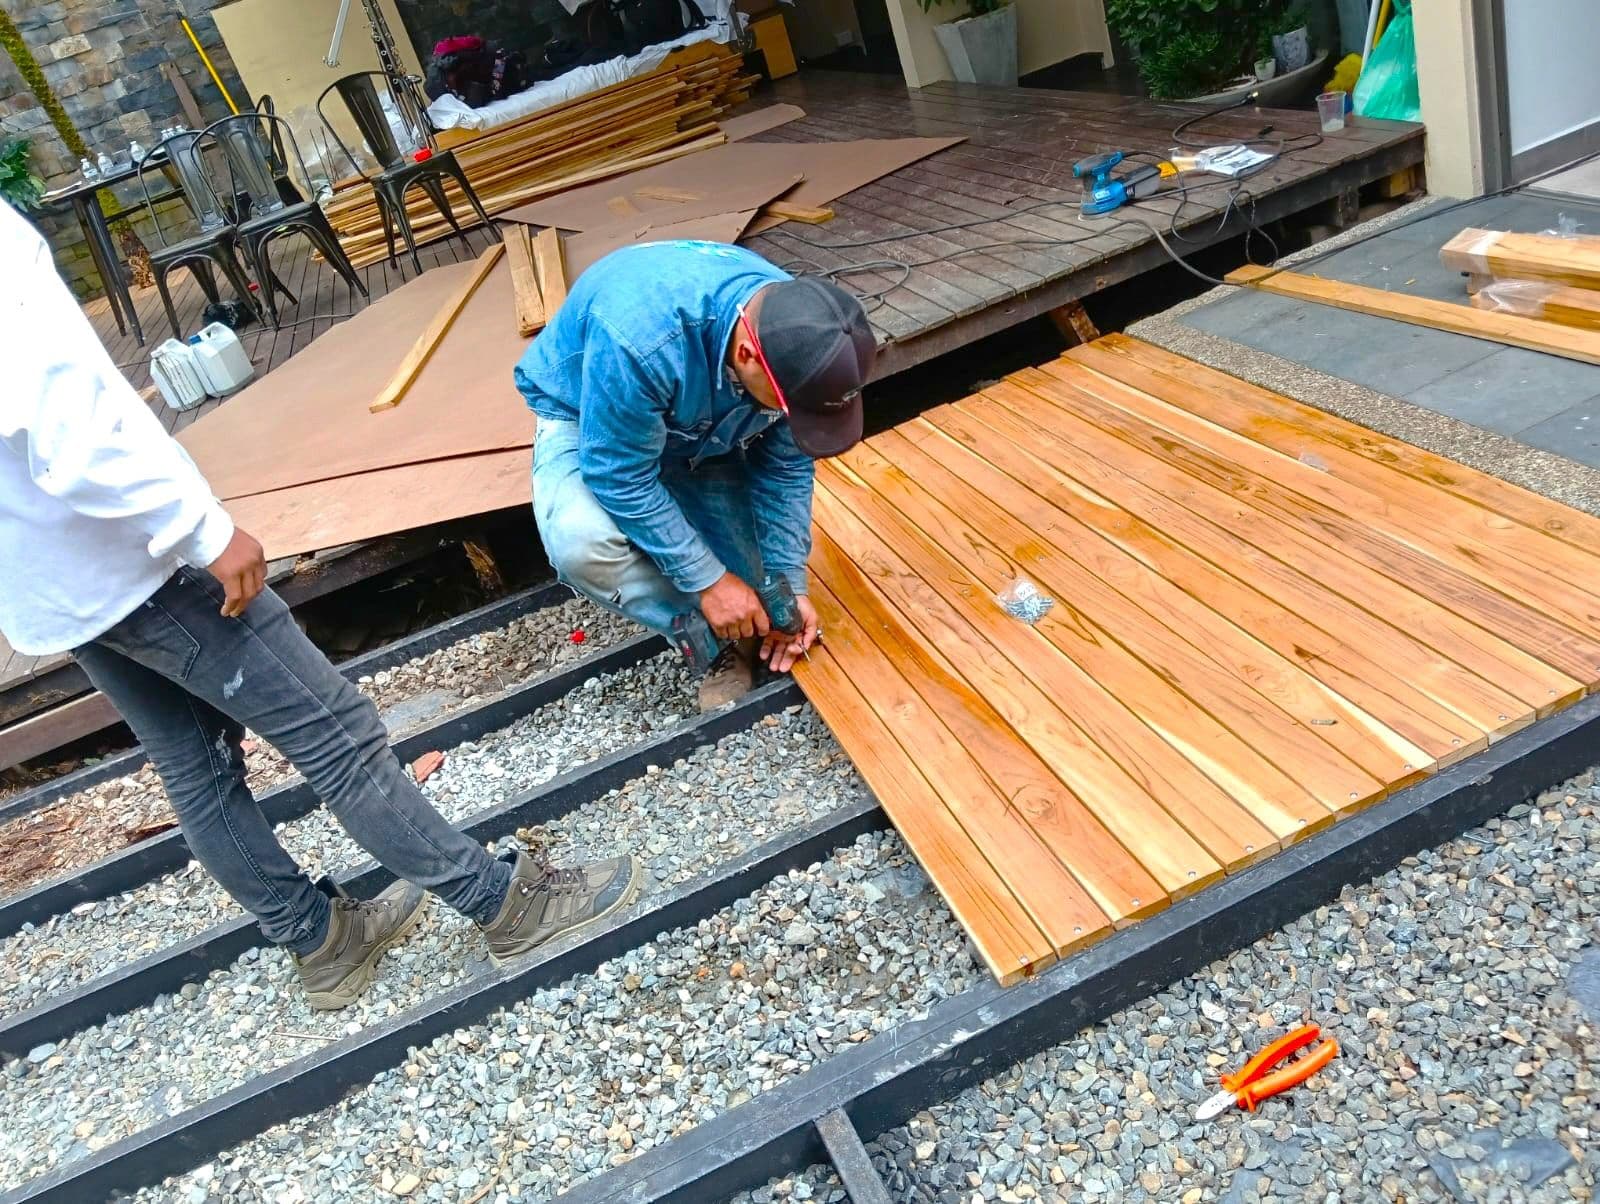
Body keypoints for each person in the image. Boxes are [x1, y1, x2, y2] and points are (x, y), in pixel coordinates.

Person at [0, 199, 641, 1010]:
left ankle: (320, 939)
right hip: (133, 558)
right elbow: (66, 417)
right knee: (336, 735)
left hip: (55, 579)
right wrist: (197, 528)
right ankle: (501, 903)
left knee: (196, 768)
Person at [514, 240, 876, 708]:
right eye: (792, 409)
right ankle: (720, 640)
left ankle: (741, 616)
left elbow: (785, 468)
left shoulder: (803, 337)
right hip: (593, 413)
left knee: (762, 593)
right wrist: (709, 582)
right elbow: (619, 474)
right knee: (583, 544)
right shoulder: (640, 341)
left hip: (701, 415)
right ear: (748, 354)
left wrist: (788, 583)